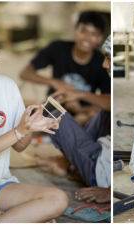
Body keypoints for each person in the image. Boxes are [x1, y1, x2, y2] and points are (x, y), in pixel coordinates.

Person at [0, 26, 68, 223]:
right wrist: (19, 131)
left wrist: (29, 127)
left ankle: (0, 219)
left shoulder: (7, 87)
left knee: (58, 199)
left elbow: (19, 146)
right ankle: (12, 219)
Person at [35, 35, 112, 203]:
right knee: (103, 111)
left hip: (99, 171)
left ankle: (66, 163)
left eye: (109, 59)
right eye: (105, 57)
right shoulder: (59, 49)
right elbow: (107, 102)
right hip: (102, 152)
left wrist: (109, 191)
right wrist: (76, 95)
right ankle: (64, 162)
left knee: (48, 110)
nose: (104, 64)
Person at [20, 11, 111, 125]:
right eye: (84, 31)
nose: (87, 38)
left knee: (89, 116)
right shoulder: (58, 48)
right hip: (54, 107)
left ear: (100, 38)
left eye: (93, 34)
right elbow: (24, 73)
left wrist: (79, 106)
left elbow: (108, 101)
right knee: (32, 122)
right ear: (75, 31)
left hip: (83, 111)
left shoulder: (102, 62)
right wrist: (54, 82)